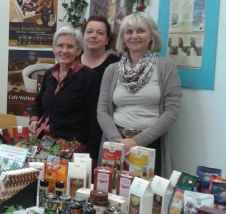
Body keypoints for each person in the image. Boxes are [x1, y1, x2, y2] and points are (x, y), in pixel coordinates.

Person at [97, 12, 181, 177]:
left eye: (140, 31)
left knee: (146, 197)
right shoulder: (112, 70)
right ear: (123, 38)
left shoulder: (166, 67)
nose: (134, 36)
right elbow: (102, 110)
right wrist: (120, 143)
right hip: (116, 142)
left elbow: (172, 111)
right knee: (113, 194)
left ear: (152, 36)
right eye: (129, 32)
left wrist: (136, 142)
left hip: (150, 144)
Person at [29, 26, 103, 160]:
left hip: (72, 147)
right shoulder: (49, 74)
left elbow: (95, 120)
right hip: (44, 141)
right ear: (53, 48)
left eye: (69, 46)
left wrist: (91, 155)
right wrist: (34, 118)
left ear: (78, 50)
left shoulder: (90, 78)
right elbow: (39, 101)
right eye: (60, 46)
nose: (64, 51)